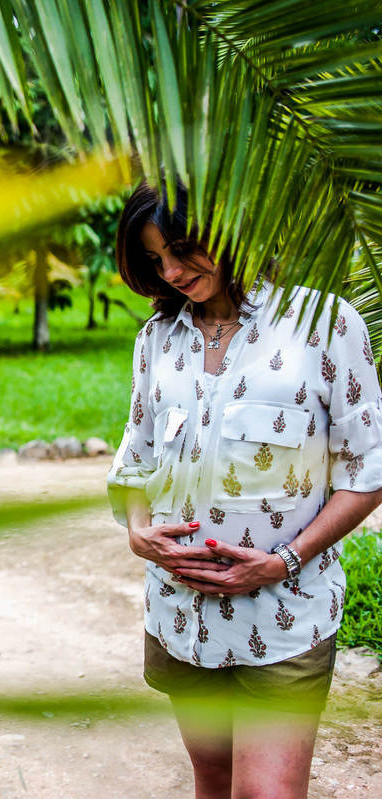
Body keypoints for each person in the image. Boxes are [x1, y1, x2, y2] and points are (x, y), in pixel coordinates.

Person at [107, 179, 382, 799]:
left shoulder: (324, 325)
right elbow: (135, 460)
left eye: (181, 249)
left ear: (230, 227)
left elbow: (369, 473)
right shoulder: (156, 340)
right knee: (213, 776)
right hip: (181, 615)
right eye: (155, 260)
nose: (172, 272)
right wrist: (137, 531)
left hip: (287, 615)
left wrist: (281, 561)